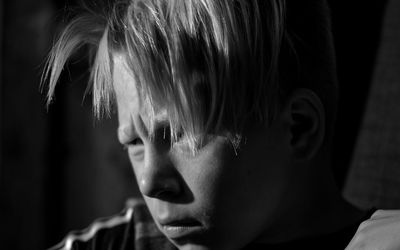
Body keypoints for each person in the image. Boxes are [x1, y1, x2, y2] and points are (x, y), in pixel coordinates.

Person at [43, 0, 400, 249]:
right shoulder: (126, 242)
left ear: (299, 128)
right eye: (134, 142)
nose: (149, 181)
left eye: (184, 133)